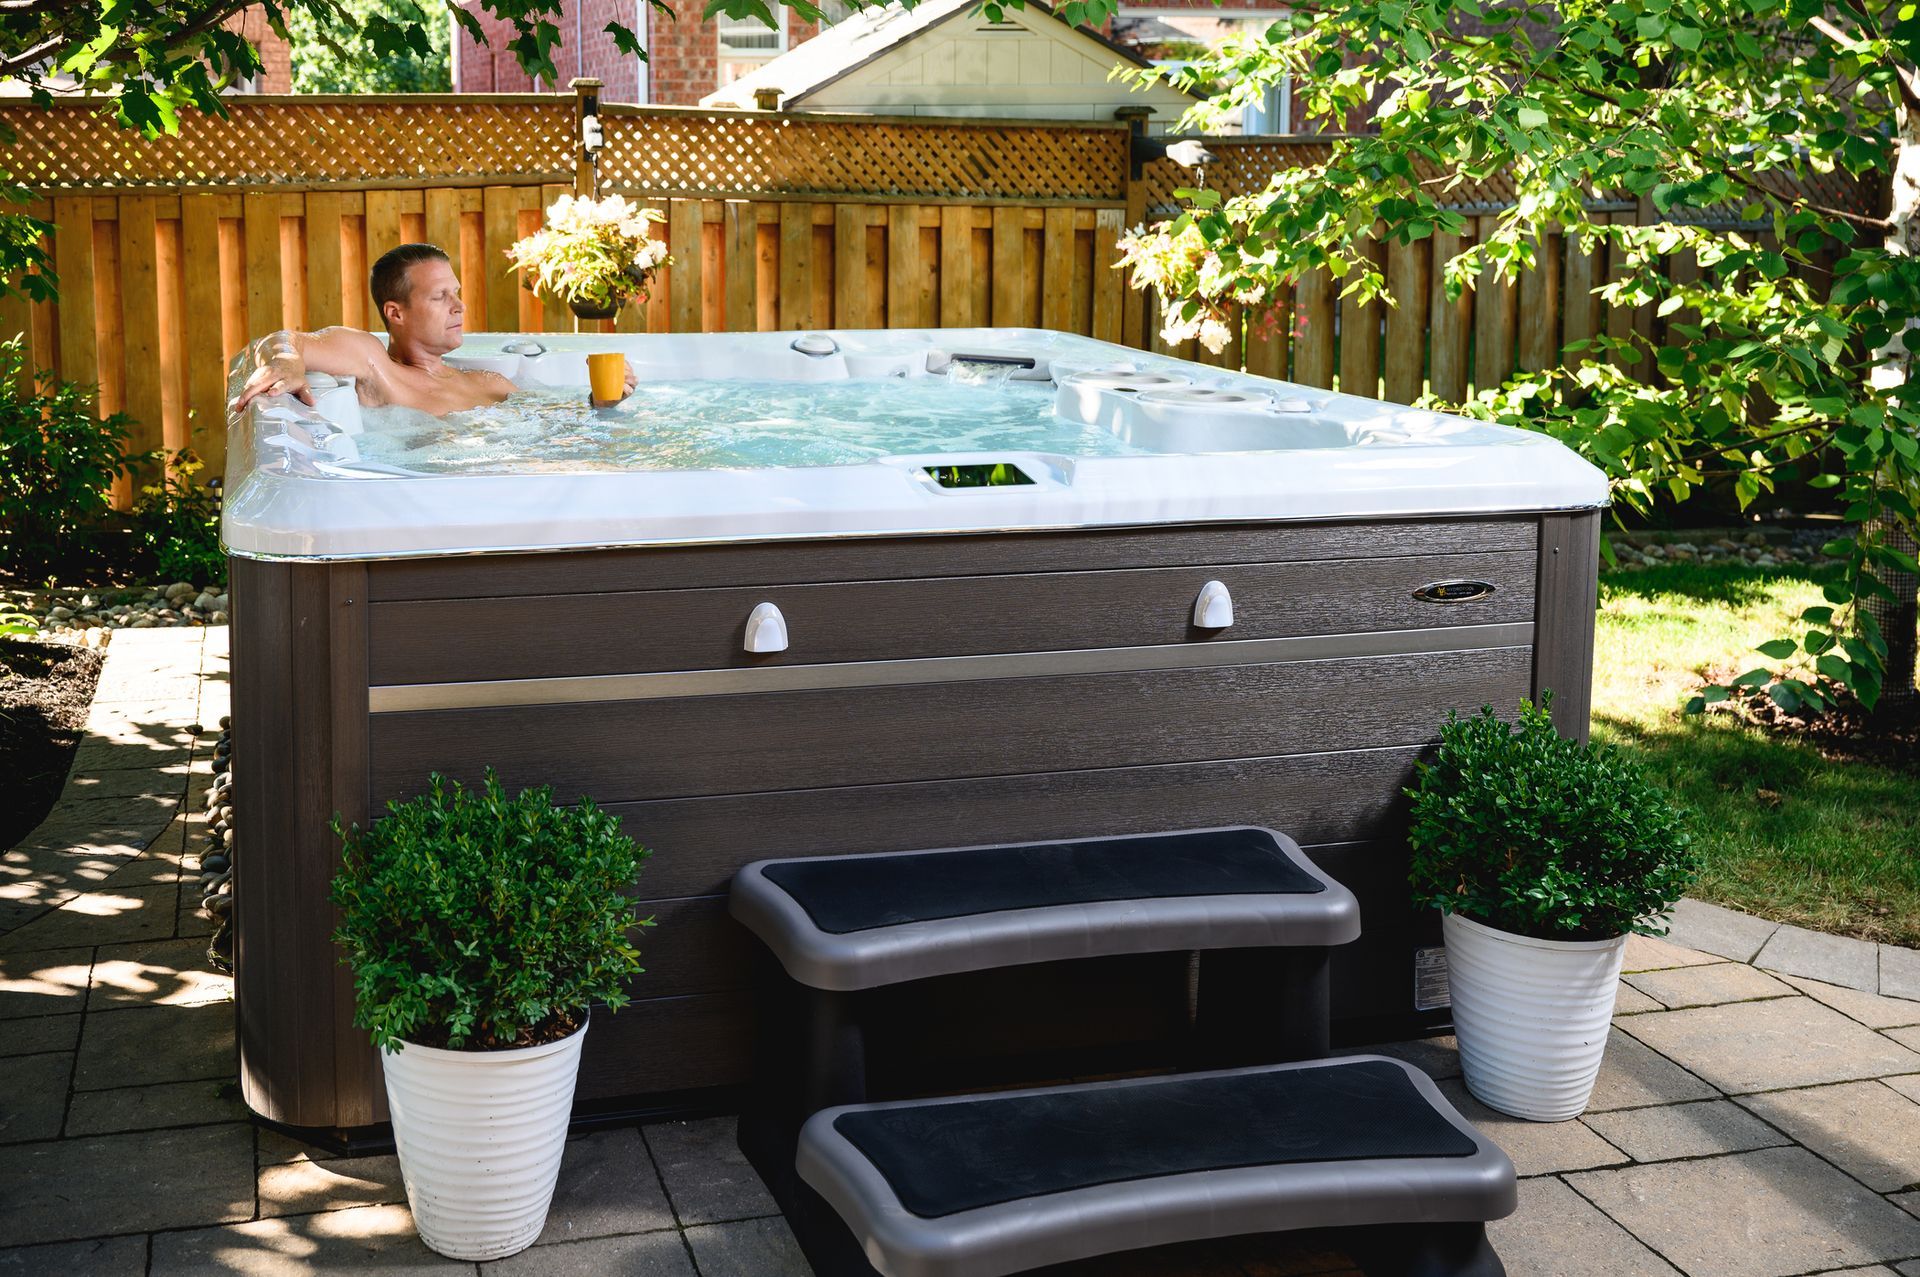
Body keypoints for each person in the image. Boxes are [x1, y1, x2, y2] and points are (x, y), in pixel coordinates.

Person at [232, 243, 632, 415]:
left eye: (456, 293)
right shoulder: (377, 367)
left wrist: (600, 404)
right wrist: (285, 362)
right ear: (396, 313)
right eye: (440, 296)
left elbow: (555, 426)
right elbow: (288, 340)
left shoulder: (490, 382)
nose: (460, 306)